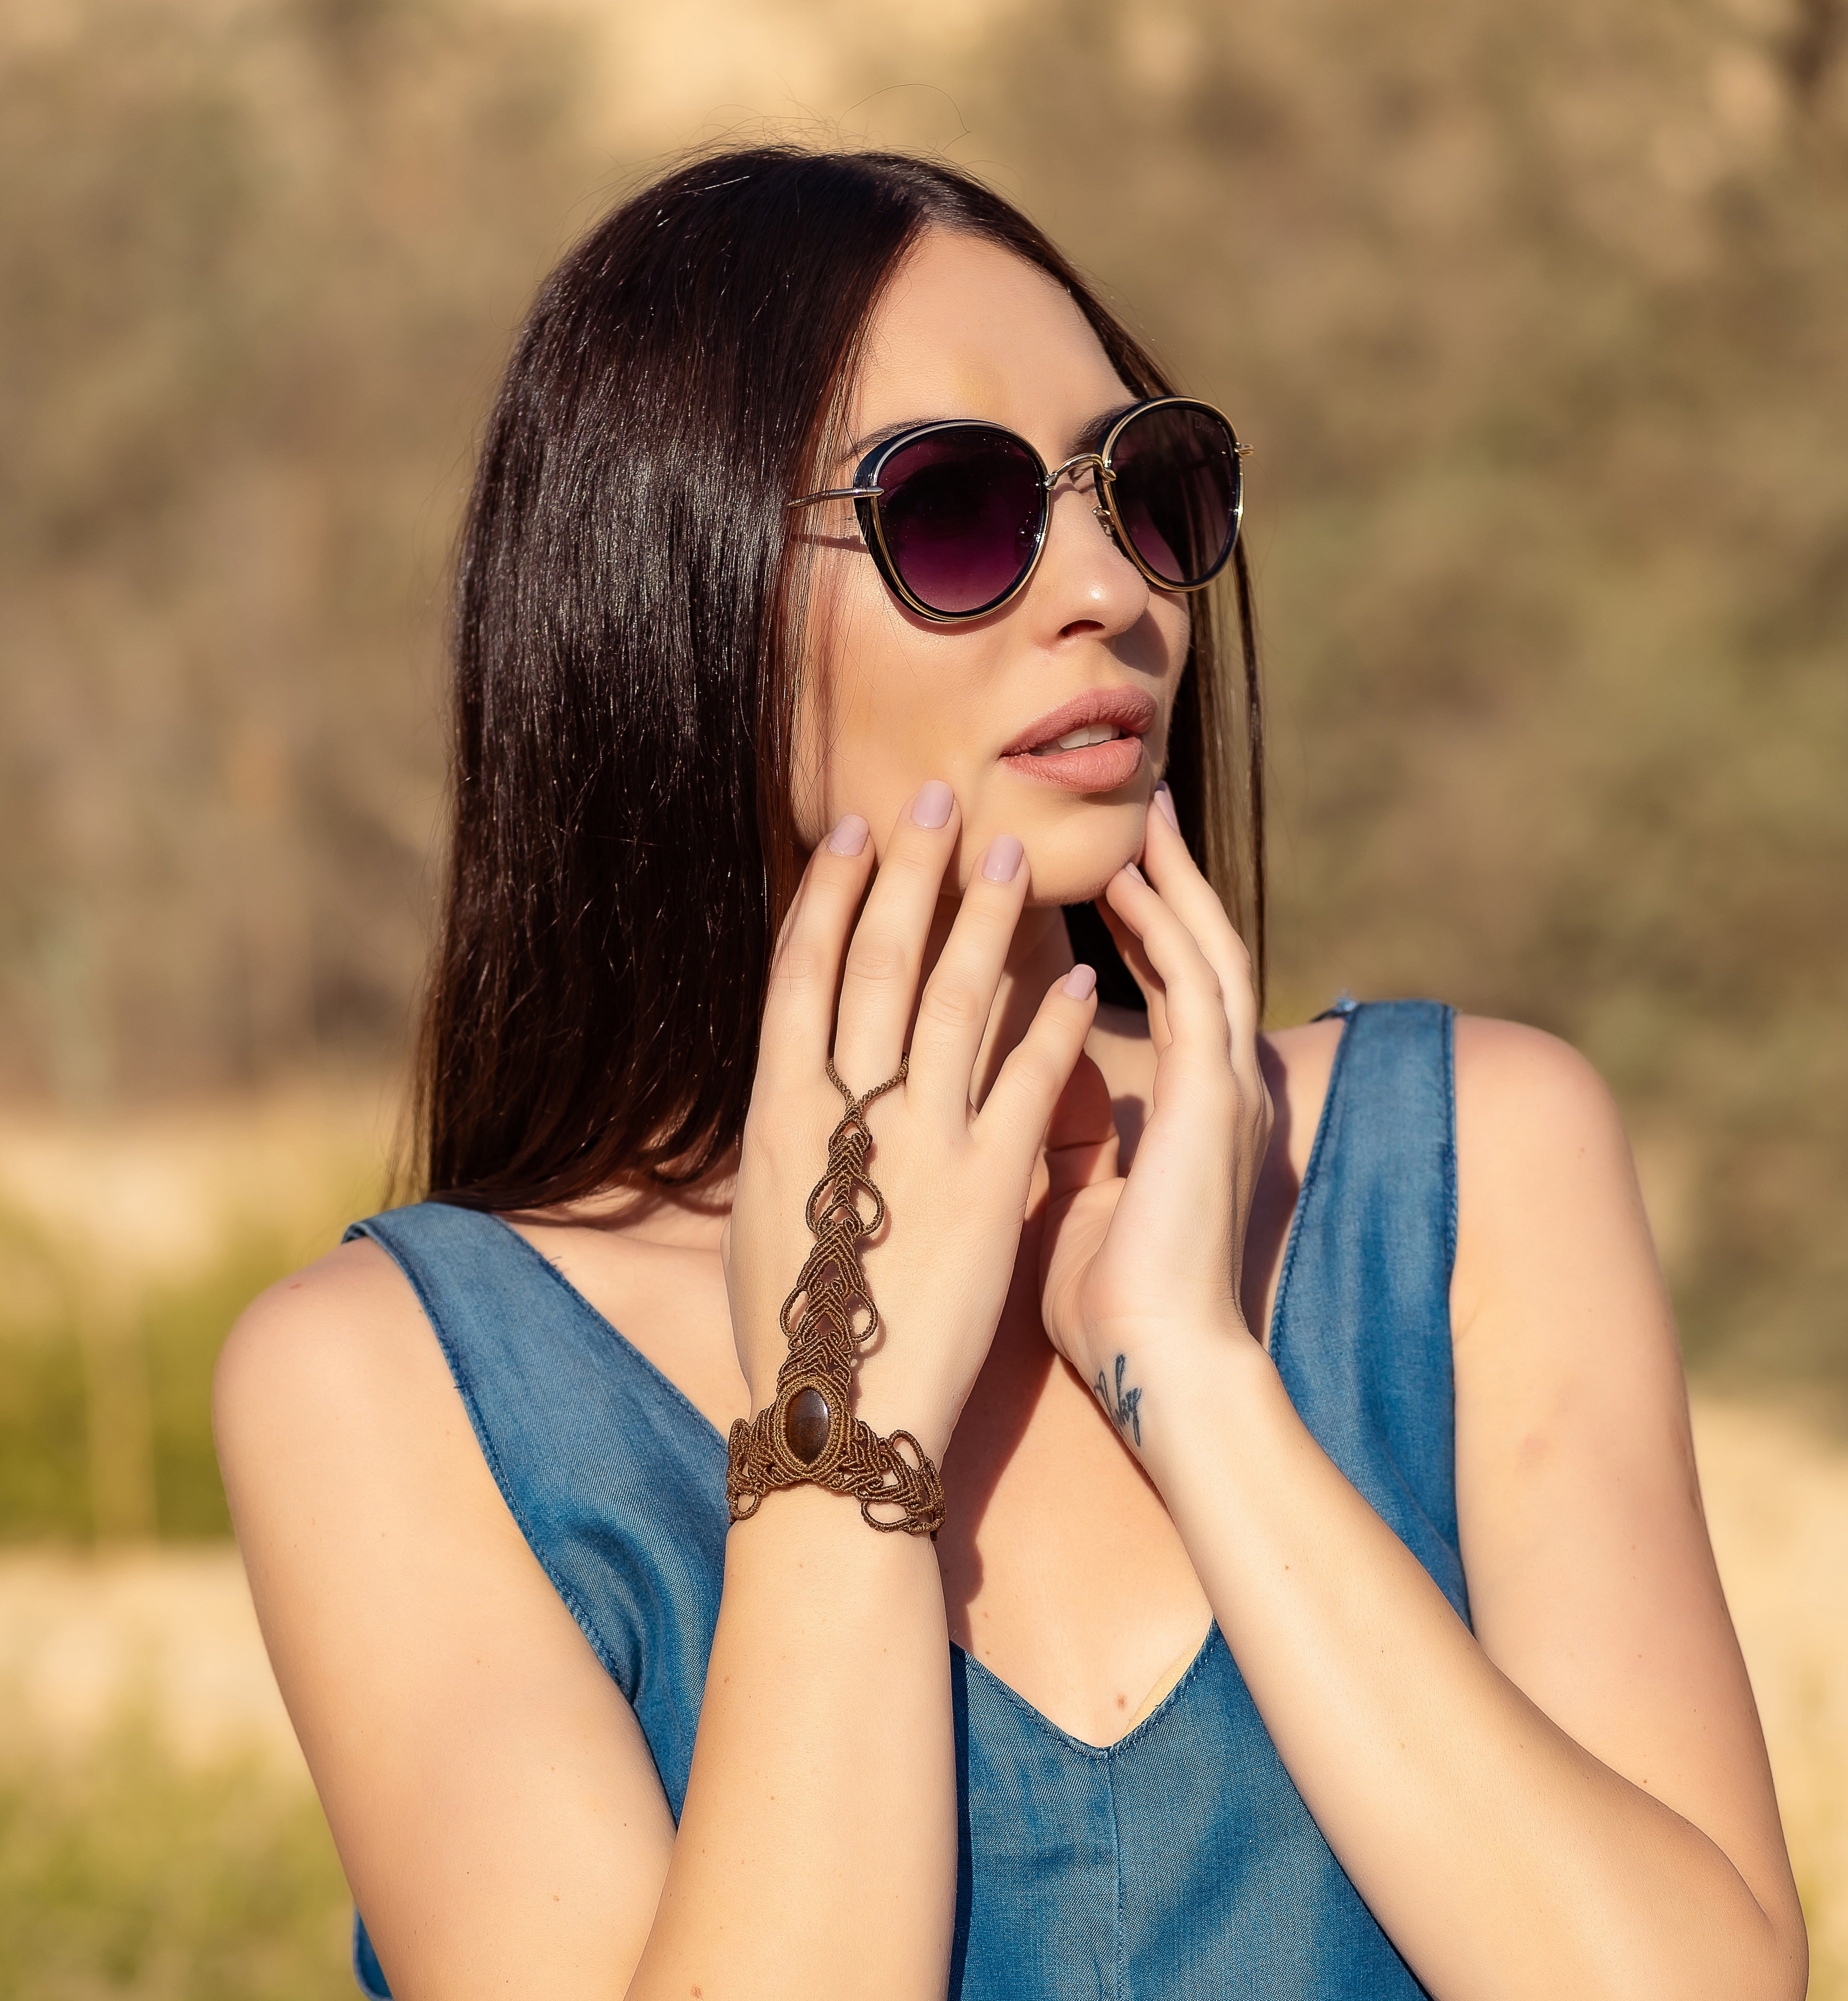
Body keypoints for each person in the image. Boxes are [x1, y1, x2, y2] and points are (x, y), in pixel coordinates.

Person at [214, 147, 1807, 2000]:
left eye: (1149, 493)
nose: (1108, 592)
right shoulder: (395, 1381)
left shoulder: (1468, 1172)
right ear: (668, 596)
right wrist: (838, 1412)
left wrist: (1201, 1384)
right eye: (960, 512)